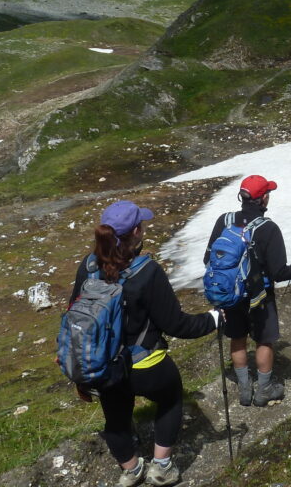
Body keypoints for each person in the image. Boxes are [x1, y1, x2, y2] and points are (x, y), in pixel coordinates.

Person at [68, 199, 219, 487]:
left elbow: (74, 315)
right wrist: (214, 319)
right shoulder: (147, 272)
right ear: (136, 231)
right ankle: (161, 467)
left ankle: (131, 468)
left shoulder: (87, 267)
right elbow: (177, 325)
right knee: (172, 397)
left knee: (114, 416)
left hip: (101, 366)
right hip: (144, 364)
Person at [204, 175, 291, 408]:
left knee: (237, 337)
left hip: (229, 296)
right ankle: (264, 389)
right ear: (263, 198)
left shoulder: (224, 220)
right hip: (259, 296)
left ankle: (245, 389)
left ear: (242, 197)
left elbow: (208, 258)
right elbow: (278, 272)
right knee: (264, 340)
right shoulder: (268, 229)